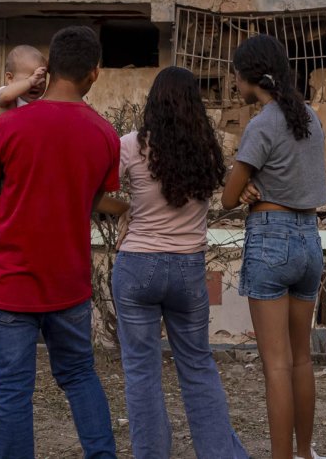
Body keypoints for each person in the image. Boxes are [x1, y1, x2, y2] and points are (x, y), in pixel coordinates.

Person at [0, 26, 119, 459]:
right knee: (79, 376)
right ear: (95, 74)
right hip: (68, 284)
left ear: (47, 69)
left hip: (8, 283)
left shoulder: (10, 125)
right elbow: (97, 198)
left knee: (12, 394)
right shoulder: (104, 134)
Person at [109, 66, 249, 459]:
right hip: (189, 268)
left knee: (141, 372)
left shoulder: (130, 145)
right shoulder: (206, 148)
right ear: (195, 105)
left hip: (137, 265)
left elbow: (91, 195)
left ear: (153, 102)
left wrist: (125, 209)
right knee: (198, 366)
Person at [220, 35, 326, 459]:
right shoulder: (311, 117)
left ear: (249, 77)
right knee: (302, 359)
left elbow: (228, 198)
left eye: (235, 74)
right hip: (309, 239)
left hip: (271, 238)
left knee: (276, 364)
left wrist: (246, 189)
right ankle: (304, 454)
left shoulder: (261, 123)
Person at [0, 44, 47, 120]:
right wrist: (30, 82)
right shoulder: (10, 96)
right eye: (31, 78)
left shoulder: (41, 101)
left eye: (41, 80)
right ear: (10, 78)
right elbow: (4, 96)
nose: (37, 84)